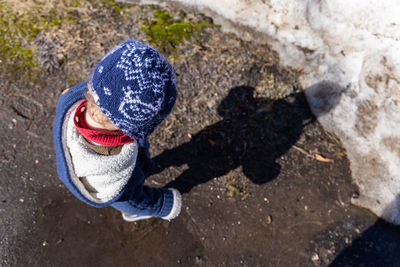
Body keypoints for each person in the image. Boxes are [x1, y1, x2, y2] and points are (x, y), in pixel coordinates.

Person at [53, 39, 181, 222]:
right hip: (125, 187)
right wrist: (164, 204)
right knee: (131, 194)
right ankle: (137, 213)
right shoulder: (113, 171)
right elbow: (128, 197)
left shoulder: (70, 103)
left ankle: (145, 167)